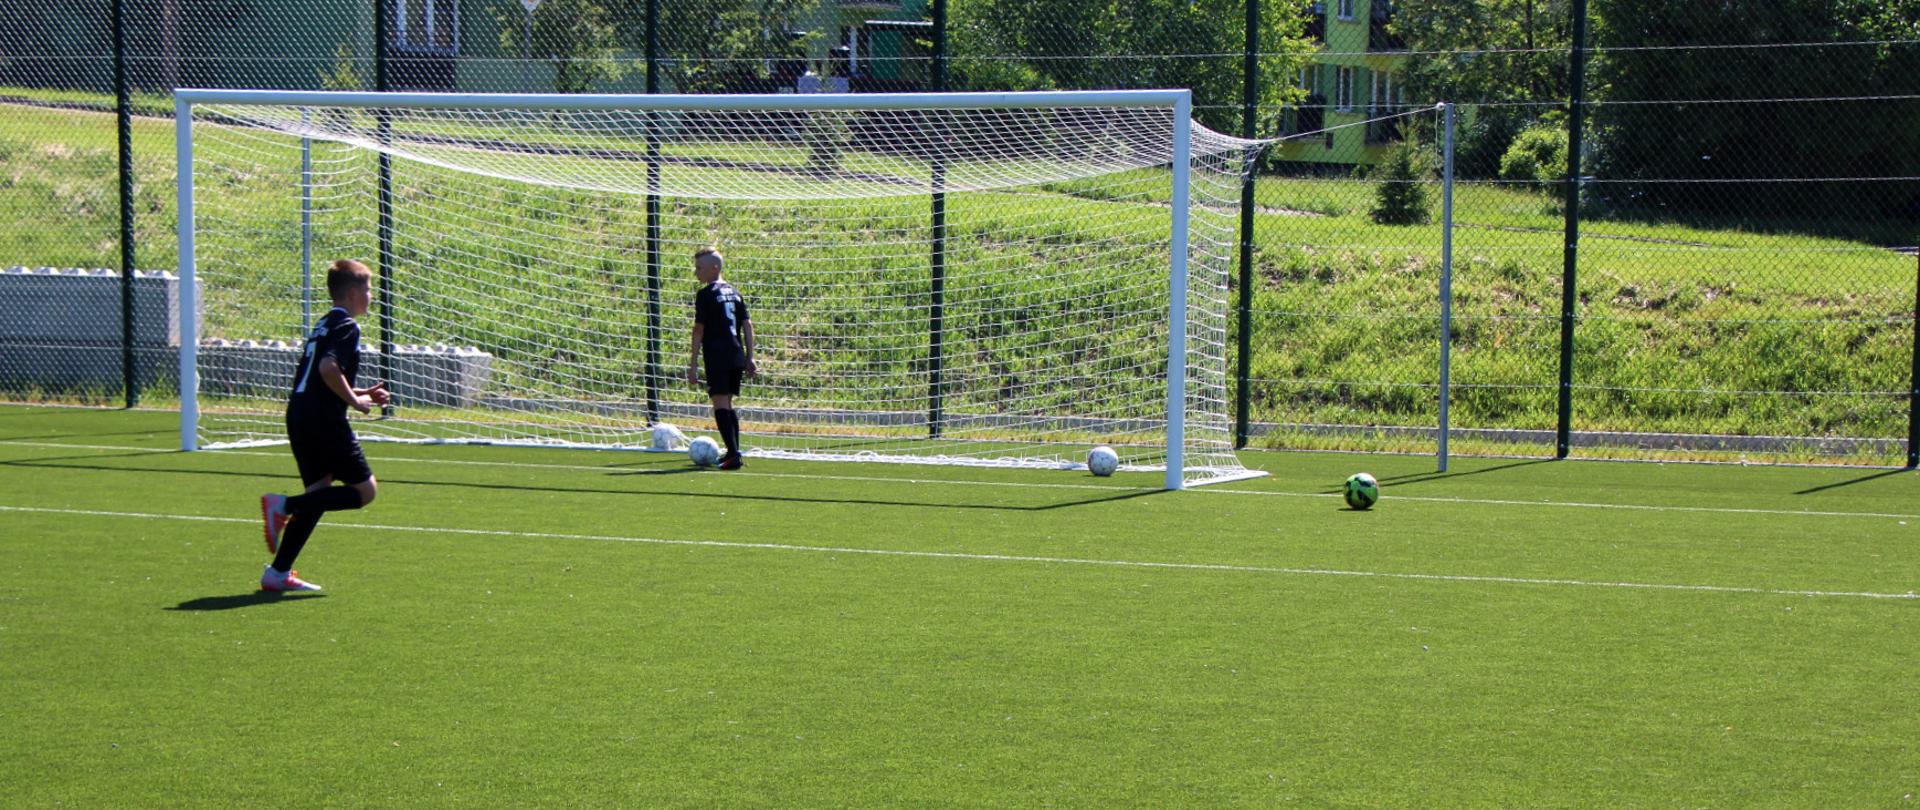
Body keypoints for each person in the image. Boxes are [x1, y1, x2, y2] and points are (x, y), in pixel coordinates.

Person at [258, 259, 390, 592]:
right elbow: (329, 370)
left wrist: (362, 392)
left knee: (318, 495)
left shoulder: (322, 325)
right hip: (323, 420)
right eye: (369, 289)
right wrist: (354, 401)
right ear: (352, 292)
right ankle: (283, 506)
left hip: (300, 414)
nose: (371, 295)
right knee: (365, 491)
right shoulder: (348, 326)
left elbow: (321, 377)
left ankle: (278, 573)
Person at [687, 246, 755, 470]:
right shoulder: (735, 292)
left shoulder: (705, 295)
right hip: (736, 353)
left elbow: (699, 331)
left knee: (719, 403)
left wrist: (693, 363)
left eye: (699, 268)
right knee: (727, 402)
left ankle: (734, 455)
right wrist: (750, 356)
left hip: (717, 354)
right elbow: (747, 325)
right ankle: (732, 451)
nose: (696, 273)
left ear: (714, 268)